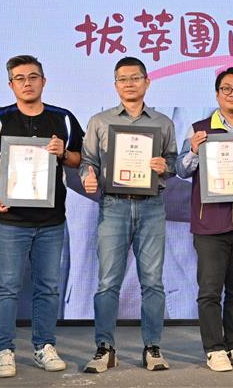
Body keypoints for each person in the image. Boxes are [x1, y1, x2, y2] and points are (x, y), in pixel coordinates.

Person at [0, 55, 84, 377]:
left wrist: (63, 152)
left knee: (48, 287)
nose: (27, 83)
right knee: (6, 286)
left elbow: (79, 158)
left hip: (51, 221)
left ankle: (44, 346)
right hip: (11, 220)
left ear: (43, 81)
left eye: (33, 77)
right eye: (19, 78)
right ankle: (3, 350)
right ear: (11, 85)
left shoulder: (63, 118)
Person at [79, 56, 177, 373]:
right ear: (115, 84)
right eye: (122, 79)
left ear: (147, 82)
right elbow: (87, 161)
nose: (129, 83)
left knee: (153, 282)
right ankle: (105, 348)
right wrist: (87, 175)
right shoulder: (99, 121)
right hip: (114, 205)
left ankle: (152, 347)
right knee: (108, 282)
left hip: (151, 206)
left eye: (135, 77)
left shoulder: (163, 122)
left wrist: (165, 166)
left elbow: (173, 162)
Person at [174, 67, 233, 372]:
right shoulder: (200, 129)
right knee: (210, 290)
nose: (232, 94)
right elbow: (181, 170)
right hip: (210, 224)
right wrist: (194, 151)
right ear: (217, 94)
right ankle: (214, 348)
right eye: (226, 89)